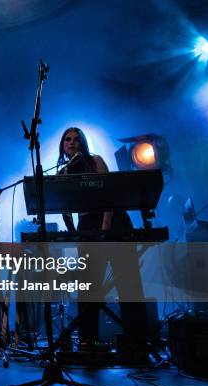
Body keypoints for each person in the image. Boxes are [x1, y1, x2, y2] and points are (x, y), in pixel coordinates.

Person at [58, 127, 147, 348]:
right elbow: (66, 208)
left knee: (127, 283)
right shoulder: (63, 172)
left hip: (113, 220)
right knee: (89, 287)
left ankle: (137, 341)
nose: (72, 142)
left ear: (83, 143)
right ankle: (89, 341)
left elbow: (111, 193)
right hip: (87, 226)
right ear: (62, 145)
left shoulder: (95, 160)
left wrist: (105, 227)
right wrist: (73, 232)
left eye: (76, 139)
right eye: (67, 139)